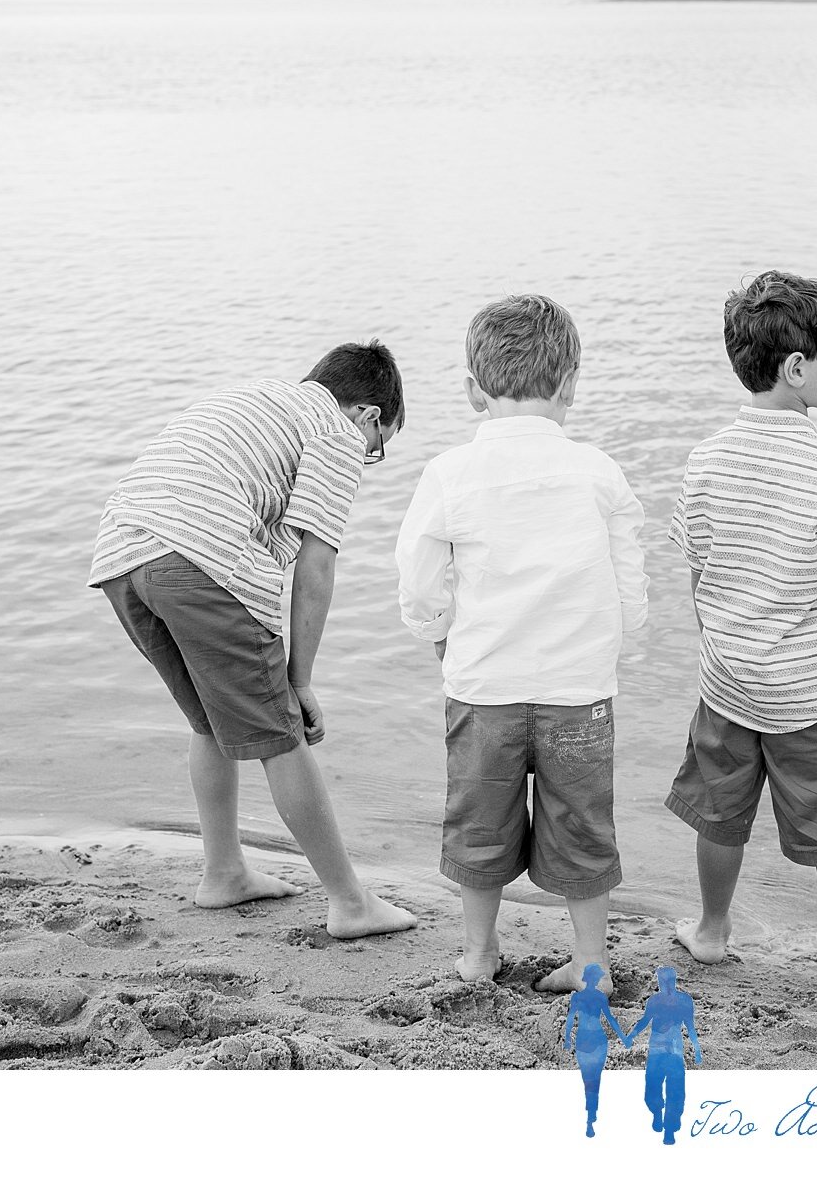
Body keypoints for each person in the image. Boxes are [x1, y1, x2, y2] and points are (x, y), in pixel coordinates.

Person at [90, 341, 417, 939]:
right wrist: (300, 680)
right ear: (368, 415)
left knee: (212, 722)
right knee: (280, 734)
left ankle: (224, 872)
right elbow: (316, 566)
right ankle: (350, 902)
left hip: (120, 553)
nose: (368, 457)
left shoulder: (254, 396)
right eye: (379, 449)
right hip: (198, 555)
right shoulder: (336, 430)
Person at [396, 294, 649, 993]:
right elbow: (630, 584)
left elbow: (419, 579)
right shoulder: (598, 470)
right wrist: (615, 654)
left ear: (472, 389)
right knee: (583, 825)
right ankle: (592, 962)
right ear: (570, 383)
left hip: (484, 689)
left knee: (478, 824)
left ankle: (478, 953)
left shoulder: (449, 473)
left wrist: (438, 639)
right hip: (578, 692)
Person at [666, 271, 817, 990]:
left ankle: (710, 931)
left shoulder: (706, 460)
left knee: (720, 813)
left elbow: (699, 572)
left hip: (729, 682)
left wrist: (723, 646)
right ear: (798, 370)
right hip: (813, 692)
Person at [626, 966, 701, 1145]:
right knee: (656, 1088)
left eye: (665, 981)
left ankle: (669, 1129)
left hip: (672, 1052)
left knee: (673, 1091)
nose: (664, 984)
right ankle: (658, 1114)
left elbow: (690, 1026)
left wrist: (697, 1049)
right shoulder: (657, 1001)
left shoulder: (683, 1001)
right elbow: (646, 1020)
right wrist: (632, 1035)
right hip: (659, 1050)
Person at [563, 962, 628, 1137]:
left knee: (588, 1078)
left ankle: (590, 1117)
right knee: (594, 1079)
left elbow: (571, 1020)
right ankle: (591, 1116)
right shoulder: (597, 997)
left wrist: (568, 1038)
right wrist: (623, 1037)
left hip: (587, 1038)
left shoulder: (579, 997)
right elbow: (610, 1019)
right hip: (596, 1038)